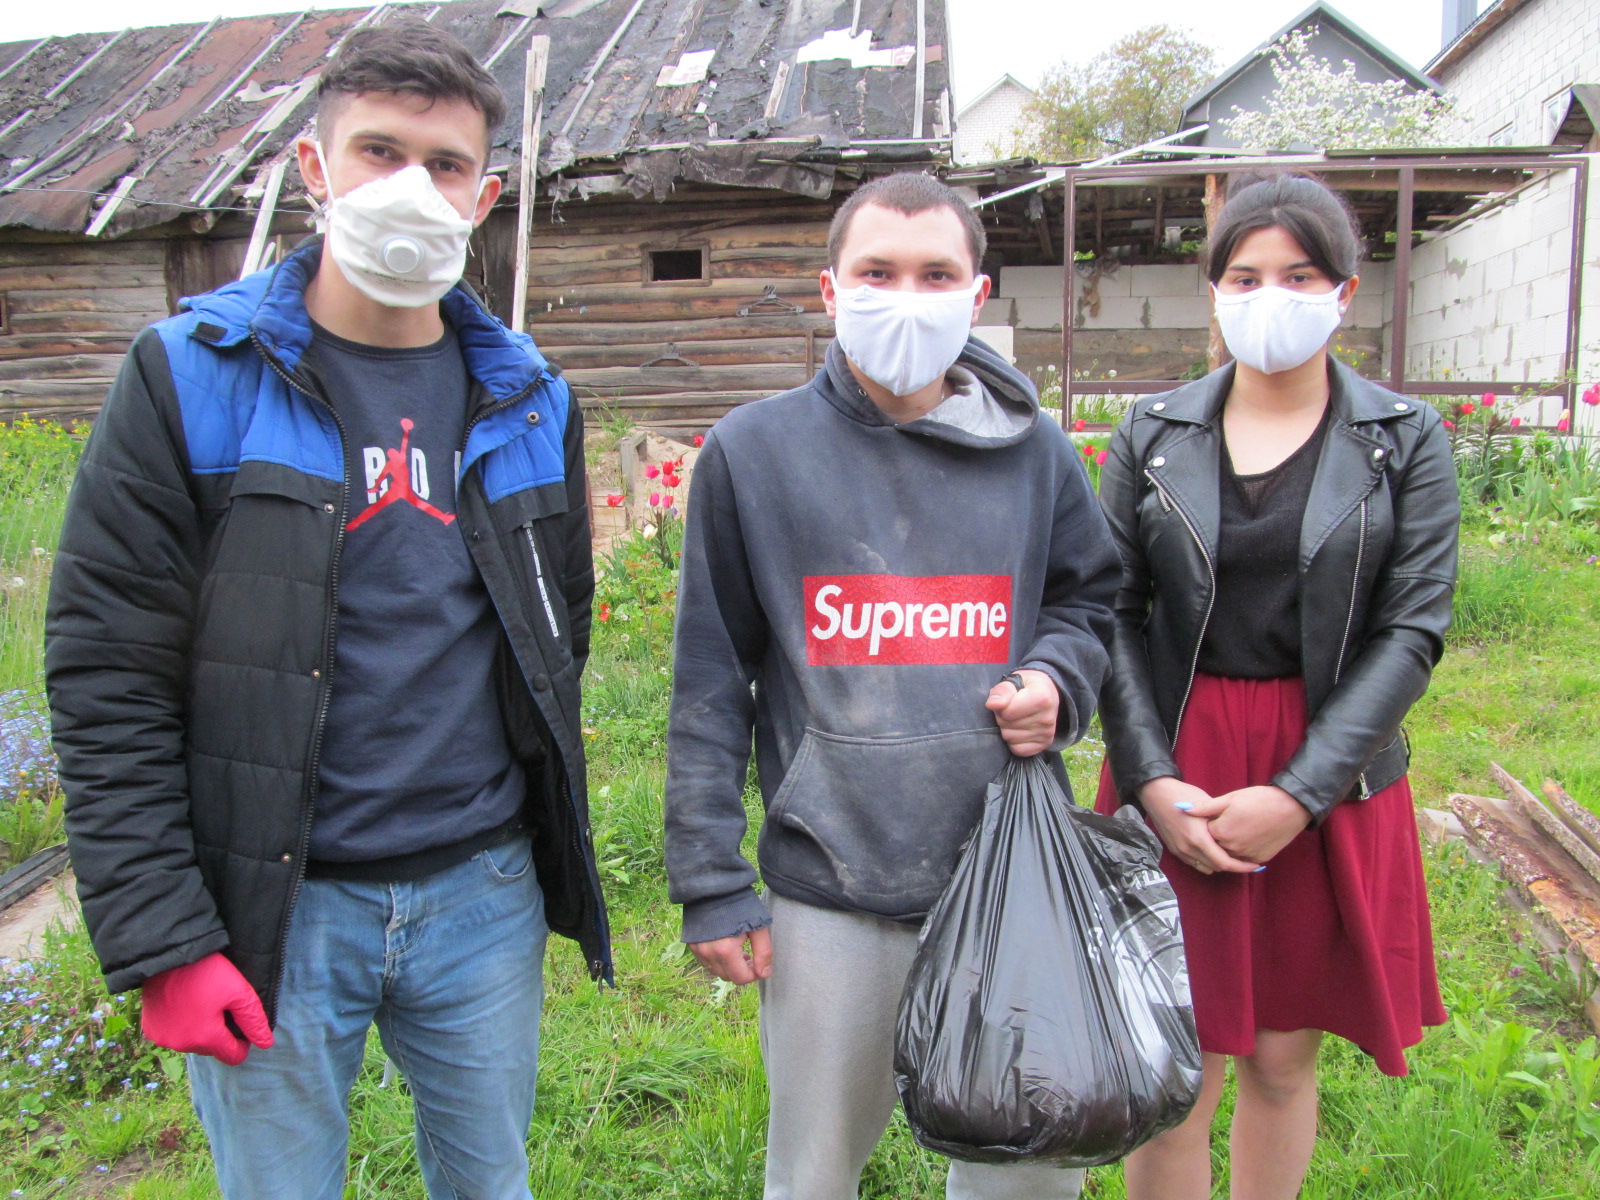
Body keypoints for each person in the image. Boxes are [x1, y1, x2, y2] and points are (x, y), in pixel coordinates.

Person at [45, 22, 610, 1199]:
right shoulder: (191, 375)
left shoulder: (527, 397)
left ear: (485, 193)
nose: (412, 186)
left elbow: (557, 629)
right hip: (277, 905)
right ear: (314, 170)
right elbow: (108, 671)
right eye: (378, 150)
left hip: (480, 896)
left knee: (490, 1184)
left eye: (445, 164)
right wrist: (167, 941)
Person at [663, 172, 1121, 1200]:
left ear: (977, 292)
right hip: (835, 883)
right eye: (877, 272)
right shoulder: (753, 454)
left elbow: (1091, 602)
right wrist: (709, 878)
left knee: (1027, 1164)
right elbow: (707, 679)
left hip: (1010, 869)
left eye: (934, 274)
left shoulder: (1035, 452)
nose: (904, 295)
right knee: (816, 1170)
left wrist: (1057, 678)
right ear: (829, 290)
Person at [1093, 172, 1458, 1200]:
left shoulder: (1403, 440)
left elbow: (1412, 629)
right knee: (1173, 1065)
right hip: (1178, 758)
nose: (1270, 295)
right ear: (1212, 289)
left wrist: (1300, 795)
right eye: (1245, 274)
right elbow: (1109, 614)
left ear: (1344, 291)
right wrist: (1150, 781)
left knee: (1282, 1057)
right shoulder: (1150, 433)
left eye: (1298, 274)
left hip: (1326, 767)